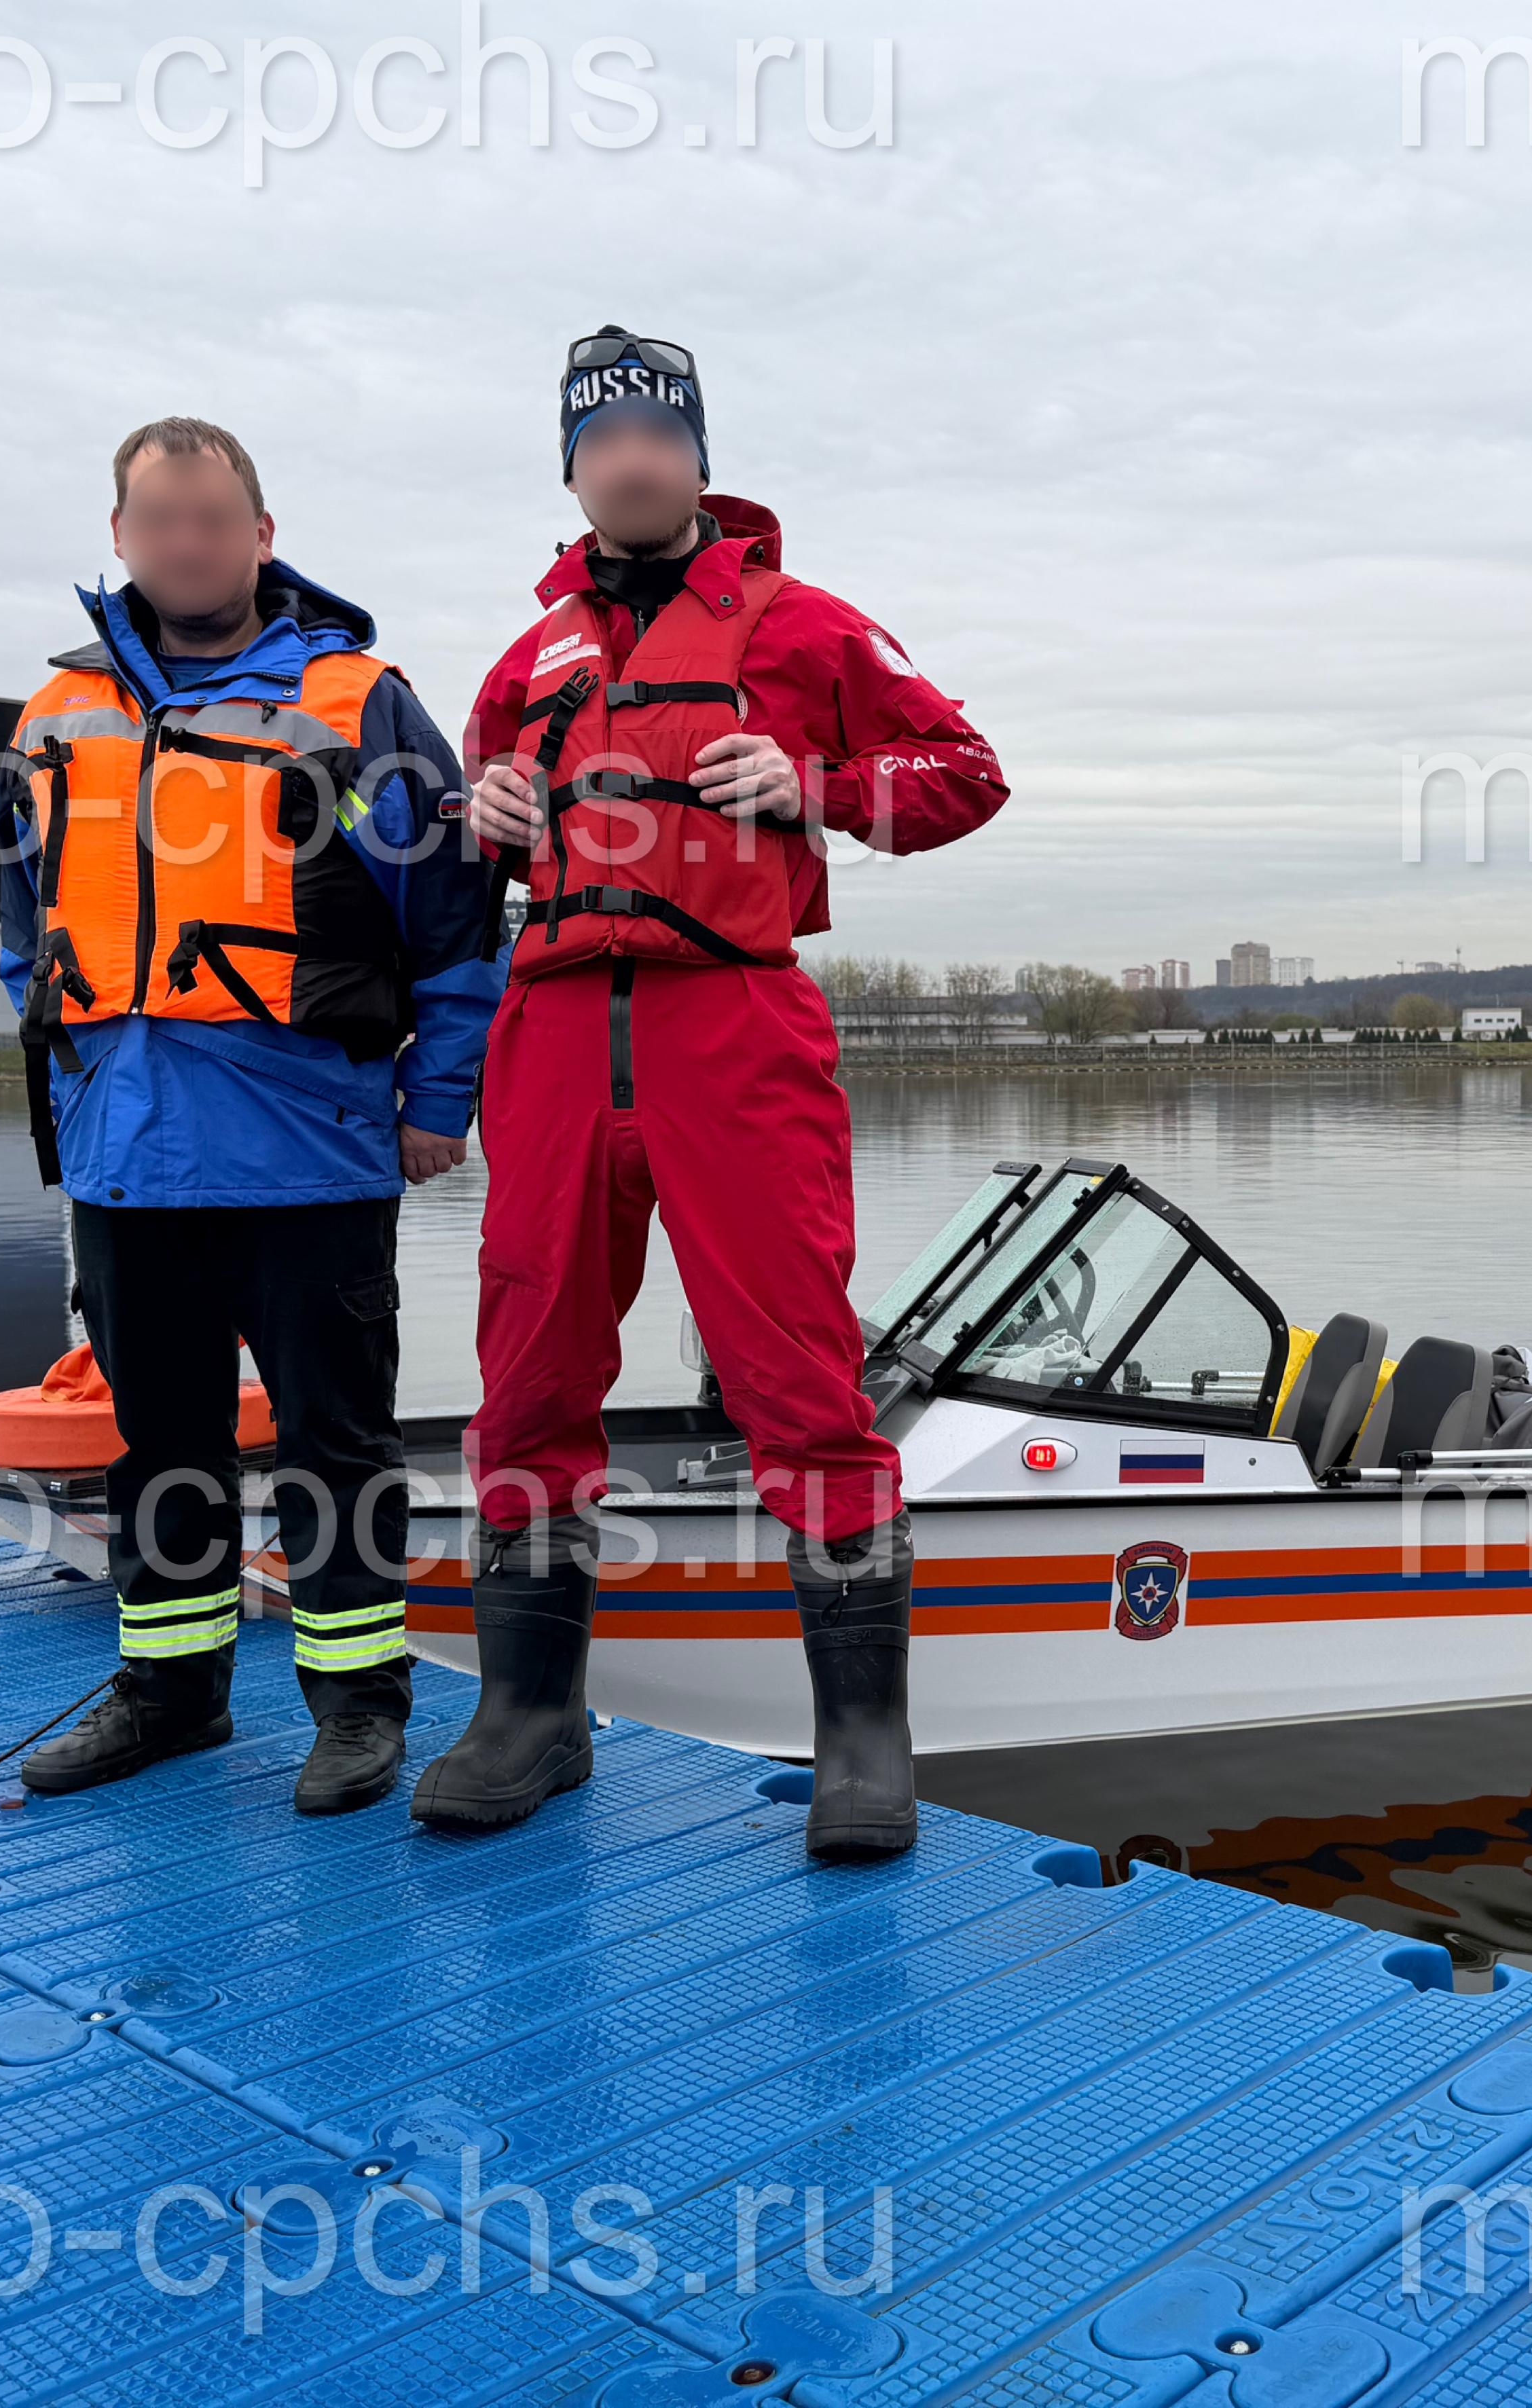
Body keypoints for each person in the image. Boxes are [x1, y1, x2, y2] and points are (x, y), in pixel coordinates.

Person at [416, 328, 1008, 1853]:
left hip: (731, 1028)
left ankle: (864, 1742)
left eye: (655, 439)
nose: (630, 462)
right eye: (601, 442)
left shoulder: (803, 624)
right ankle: (531, 1716)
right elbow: (473, 846)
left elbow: (964, 772)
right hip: (551, 1035)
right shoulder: (521, 662)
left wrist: (819, 788)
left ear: (693, 458)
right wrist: (477, 815)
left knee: (797, 1375)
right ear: (572, 467)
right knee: (531, 1365)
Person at [0, 417, 501, 1815]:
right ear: (120, 538)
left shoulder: (359, 701)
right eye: (159, 523)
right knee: (158, 1443)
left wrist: (437, 1100)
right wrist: (68, 1092)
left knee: (335, 1446)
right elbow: (25, 932)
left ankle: (355, 1707)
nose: (187, 546)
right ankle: (172, 1695)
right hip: (124, 1156)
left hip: (310, 1148)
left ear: (262, 535)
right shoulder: (55, 713)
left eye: (213, 521)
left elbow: (457, 926)